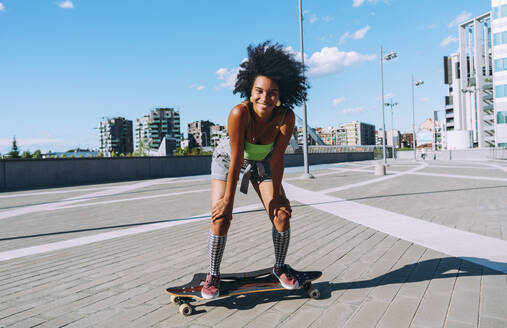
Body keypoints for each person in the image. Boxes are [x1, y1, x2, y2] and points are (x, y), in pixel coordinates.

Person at [201, 41, 308, 299]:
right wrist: (228, 201)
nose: (265, 98)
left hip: (263, 163)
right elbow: (236, 159)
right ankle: (213, 273)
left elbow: (278, 158)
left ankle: (279, 267)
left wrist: (280, 195)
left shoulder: (285, 117)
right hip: (228, 161)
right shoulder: (239, 114)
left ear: (281, 95)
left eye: (272, 93)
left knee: (282, 215)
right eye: (259, 91)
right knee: (221, 218)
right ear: (249, 90)